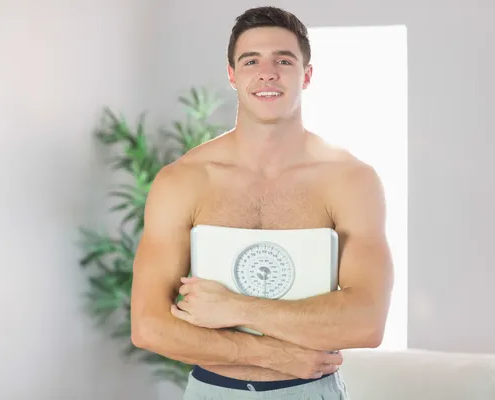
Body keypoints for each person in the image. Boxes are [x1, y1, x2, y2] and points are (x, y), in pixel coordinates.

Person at [130, 5, 394, 399]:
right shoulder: (183, 180)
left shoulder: (351, 180)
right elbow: (149, 325)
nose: (267, 72)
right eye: (251, 60)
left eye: (283, 60)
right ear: (232, 75)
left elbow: (366, 322)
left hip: (311, 390)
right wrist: (273, 355)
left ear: (306, 75)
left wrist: (237, 308)